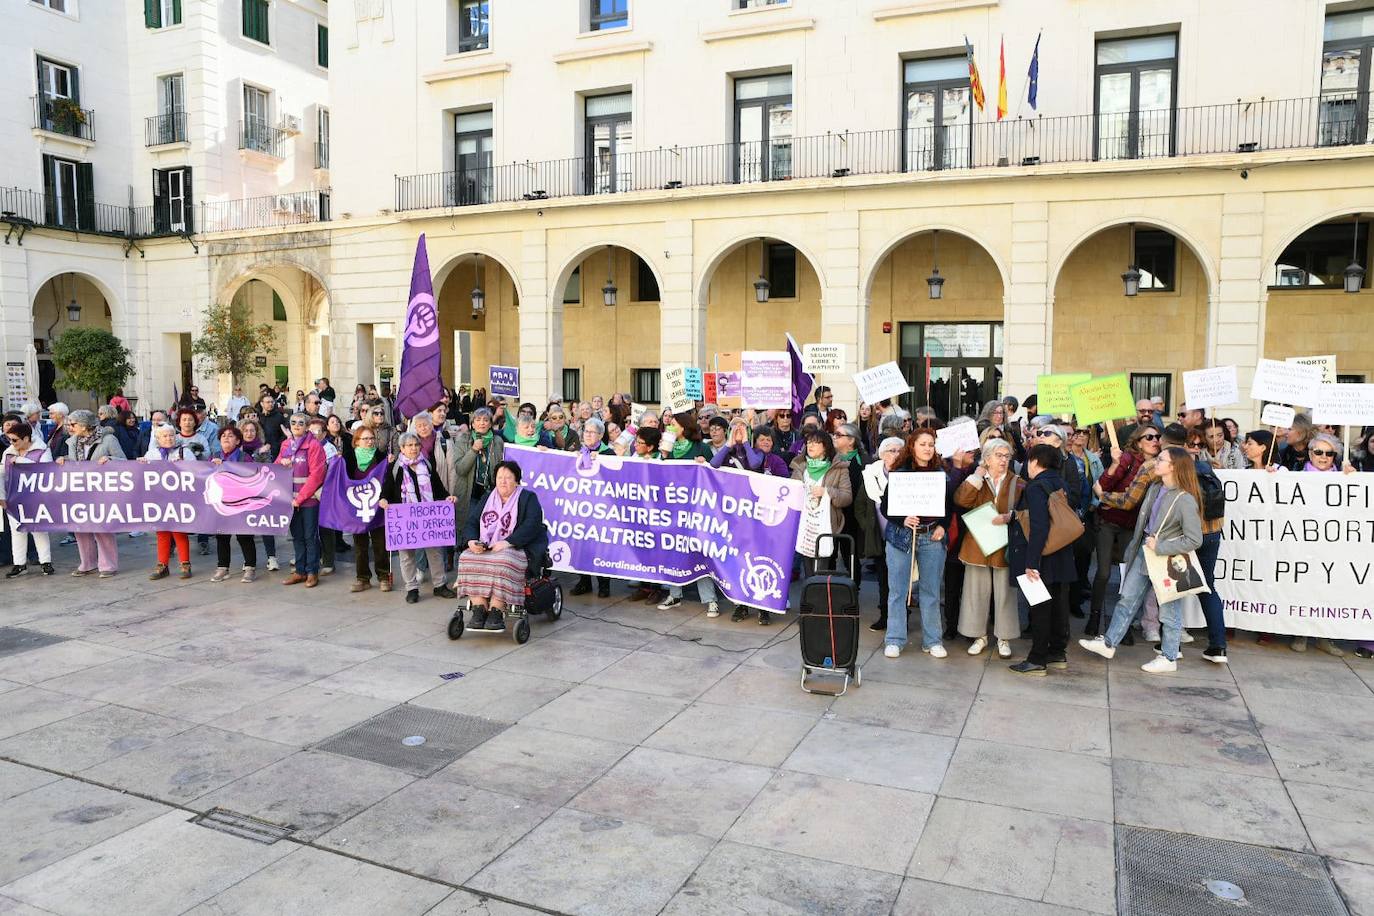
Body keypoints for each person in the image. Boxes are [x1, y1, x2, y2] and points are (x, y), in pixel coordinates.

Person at [1081, 446, 1204, 674]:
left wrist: (1162, 546)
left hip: (1166, 559)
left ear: (1173, 466)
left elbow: (1194, 539)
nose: (1155, 462)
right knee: (1126, 598)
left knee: (1169, 610)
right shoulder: (1155, 487)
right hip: (1144, 553)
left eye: (1161, 459)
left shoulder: (1185, 499)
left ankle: (1168, 657)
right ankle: (1109, 643)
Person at [880, 428, 959, 659]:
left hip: (932, 537)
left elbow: (948, 507)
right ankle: (894, 639)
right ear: (912, 446)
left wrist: (943, 526)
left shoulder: (941, 473)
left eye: (931, 444)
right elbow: (886, 507)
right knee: (898, 590)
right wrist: (902, 518)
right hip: (901, 537)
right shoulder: (899, 472)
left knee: (931, 591)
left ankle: (933, 640)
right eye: (923, 444)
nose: (927, 448)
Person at [1007, 444, 1076, 676]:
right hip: (1061, 554)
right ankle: (1057, 652)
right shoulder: (1060, 483)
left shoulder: (1036, 487)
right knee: (1058, 605)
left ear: (1035, 461)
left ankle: (1037, 659)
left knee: (1039, 608)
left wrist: (1031, 562)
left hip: (1041, 557)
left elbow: (1038, 526)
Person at [456, 460, 548, 631]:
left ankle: (496, 610)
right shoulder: (487, 498)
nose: (503, 481)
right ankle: (479, 608)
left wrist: (508, 542)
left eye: (507, 478)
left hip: (518, 546)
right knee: (466, 557)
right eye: (499, 477)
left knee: (502, 561)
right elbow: (472, 522)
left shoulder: (528, 498)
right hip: (488, 545)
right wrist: (471, 541)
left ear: (517, 480)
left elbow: (533, 524)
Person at [954, 437, 1023, 659]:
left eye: (1007, 456)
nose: (1003, 460)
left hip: (1004, 546)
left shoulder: (1018, 482)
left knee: (1005, 594)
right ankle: (979, 636)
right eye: (998, 456)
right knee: (976, 592)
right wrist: (976, 476)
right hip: (978, 545)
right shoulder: (976, 479)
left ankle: (1004, 637)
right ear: (987, 459)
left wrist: (1011, 516)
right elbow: (962, 500)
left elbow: (1026, 512)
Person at [380, 431, 458, 604]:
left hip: (427, 518)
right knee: (407, 556)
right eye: (409, 445)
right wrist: (384, 500)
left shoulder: (427, 465)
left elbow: (438, 488)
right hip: (405, 519)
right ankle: (412, 588)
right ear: (402, 448)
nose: (414, 448)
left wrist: (447, 497)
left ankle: (439, 585)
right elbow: (387, 489)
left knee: (435, 553)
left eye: (416, 445)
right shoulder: (396, 468)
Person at [59, 410, 125, 577]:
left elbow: (124, 461)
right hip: (79, 489)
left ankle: (108, 565)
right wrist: (64, 459)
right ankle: (87, 563)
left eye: (73, 424)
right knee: (80, 527)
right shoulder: (73, 441)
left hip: (101, 491)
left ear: (84, 425)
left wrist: (110, 460)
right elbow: (77, 462)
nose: (70, 427)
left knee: (102, 528)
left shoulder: (108, 439)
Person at [277, 412, 327, 588]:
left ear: (307, 427)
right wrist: (281, 462)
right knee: (297, 537)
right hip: (290, 501)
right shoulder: (285, 445)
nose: (296, 425)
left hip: (308, 500)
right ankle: (300, 571)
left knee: (310, 537)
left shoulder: (314, 446)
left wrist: (301, 498)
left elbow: (317, 475)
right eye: (293, 422)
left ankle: (312, 571)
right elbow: (275, 470)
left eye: (300, 422)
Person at [141, 424, 197, 580]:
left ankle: (185, 564)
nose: (168, 438)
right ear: (158, 439)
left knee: (179, 531)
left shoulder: (185, 452)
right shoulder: (151, 454)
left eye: (171, 435)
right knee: (162, 532)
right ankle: (162, 565)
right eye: (164, 436)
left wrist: (184, 465)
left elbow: (196, 473)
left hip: (179, 498)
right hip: (158, 498)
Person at [0, 423, 55, 577]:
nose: (12, 443)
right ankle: (19, 564)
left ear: (26, 438)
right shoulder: (8, 453)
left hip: (36, 498)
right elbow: (1, 474)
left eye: (15, 440)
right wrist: (1, 496)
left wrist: (21, 462)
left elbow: (46, 470)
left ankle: (46, 562)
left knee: (39, 529)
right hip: (13, 499)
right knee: (17, 531)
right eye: (10, 440)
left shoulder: (42, 451)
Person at [208, 427, 262, 583]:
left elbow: (252, 476)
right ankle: (222, 568)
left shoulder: (245, 458)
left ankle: (250, 567)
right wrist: (213, 466)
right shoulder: (214, 457)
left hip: (241, 503)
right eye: (223, 436)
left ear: (238, 441)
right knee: (222, 536)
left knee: (244, 535)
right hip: (221, 503)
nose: (226, 438)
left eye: (230, 436)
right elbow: (204, 477)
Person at [569, 419, 615, 599]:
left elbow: (616, 476)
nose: (588, 435)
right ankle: (584, 582)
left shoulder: (608, 453)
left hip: (602, 509)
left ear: (601, 435)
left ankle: (604, 585)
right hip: (582, 508)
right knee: (582, 545)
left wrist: (602, 461)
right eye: (586, 431)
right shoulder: (577, 452)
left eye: (592, 432)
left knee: (602, 546)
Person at [346, 425, 392, 593]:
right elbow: (343, 480)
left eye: (372, 438)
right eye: (365, 439)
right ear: (356, 441)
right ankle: (362, 578)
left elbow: (387, 479)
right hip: (357, 508)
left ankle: (384, 577)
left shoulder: (381, 457)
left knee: (380, 543)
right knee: (360, 545)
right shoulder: (349, 458)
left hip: (377, 507)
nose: (369, 441)